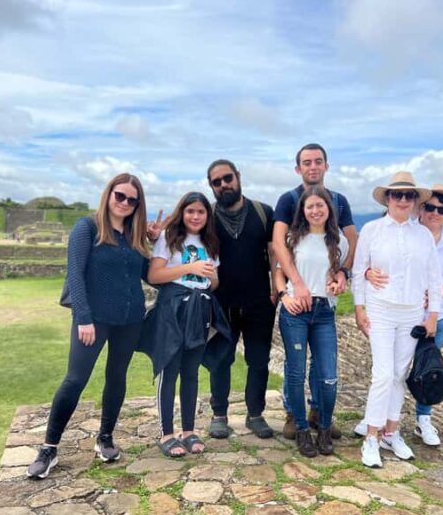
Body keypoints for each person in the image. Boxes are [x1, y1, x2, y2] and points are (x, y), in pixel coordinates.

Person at [28, 173, 150, 480]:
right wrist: (83, 317)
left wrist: (158, 239)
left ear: (138, 204)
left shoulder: (135, 237)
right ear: (108, 194)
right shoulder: (88, 227)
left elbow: (148, 273)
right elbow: (75, 274)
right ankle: (49, 446)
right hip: (93, 319)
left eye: (131, 199)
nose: (124, 203)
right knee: (75, 379)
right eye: (119, 196)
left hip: (129, 318)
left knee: (116, 376)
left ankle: (105, 436)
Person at [353, 183, 443, 446]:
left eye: (441, 210)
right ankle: (375, 427)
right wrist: (363, 287)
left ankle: (411, 423)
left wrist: (433, 306)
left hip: (426, 315)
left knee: (418, 371)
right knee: (385, 373)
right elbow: (366, 265)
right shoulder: (380, 231)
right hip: (390, 310)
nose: (434, 213)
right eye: (430, 207)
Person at [352, 172, 443, 468]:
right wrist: (359, 308)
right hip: (381, 309)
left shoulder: (423, 236)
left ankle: (392, 431)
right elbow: (359, 270)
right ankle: (372, 436)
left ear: (416, 200)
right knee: (382, 372)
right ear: (388, 198)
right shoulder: (373, 230)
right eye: (397, 194)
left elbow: (434, 278)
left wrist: (432, 316)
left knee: (399, 374)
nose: (403, 200)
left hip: (411, 312)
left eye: (409, 195)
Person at [272, 143, 357, 440]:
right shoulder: (288, 199)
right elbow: (279, 245)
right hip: (298, 296)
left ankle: (319, 413)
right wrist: (294, 285)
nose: (312, 167)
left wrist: (343, 272)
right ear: (298, 168)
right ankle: (293, 416)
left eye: (318, 161)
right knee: (294, 364)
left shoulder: (340, 201)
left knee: (321, 364)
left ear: (326, 166)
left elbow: (348, 241)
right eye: (306, 162)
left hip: (324, 304)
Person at [141, 192, 228, 458]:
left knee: (191, 371)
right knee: (170, 368)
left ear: (207, 216)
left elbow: (212, 284)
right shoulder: (169, 239)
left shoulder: (210, 243)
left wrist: (210, 276)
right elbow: (154, 274)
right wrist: (188, 268)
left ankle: (188, 431)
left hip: (199, 309)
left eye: (201, 212)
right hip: (173, 308)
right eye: (190, 211)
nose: (195, 216)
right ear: (183, 213)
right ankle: (166, 433)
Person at [205, 160, 278, 440]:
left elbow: (273, 252)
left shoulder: (263, 212)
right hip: (220, 301)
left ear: (238, 177)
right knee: (220, 359)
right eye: (217, 182)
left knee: (259, 359)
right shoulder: (207, 217)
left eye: (227, 178)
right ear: (211, 186)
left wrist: (276, 287)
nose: (224, 185)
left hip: (259, 299)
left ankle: (255, 414)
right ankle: (219, 414)